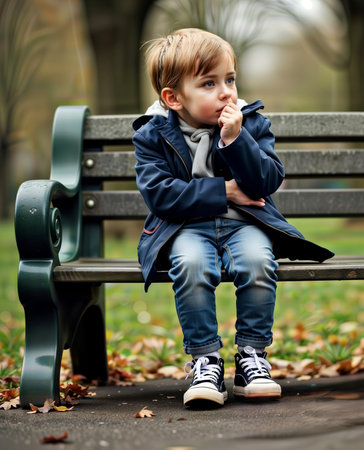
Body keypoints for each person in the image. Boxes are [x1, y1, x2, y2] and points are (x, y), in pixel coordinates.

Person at [133, 28, 333, 408]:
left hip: (245, 224)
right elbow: (160, 195)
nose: (226, 91)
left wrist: (235, 140)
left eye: (230, 79)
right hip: (186, 228)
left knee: (259, 261)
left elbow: (267, 181)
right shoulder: (152, 134)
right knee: (190, 264)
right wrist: (223, 191)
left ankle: (251, 357)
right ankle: (205, 359)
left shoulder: (250, 122)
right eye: (209, 83)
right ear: (173, 98)